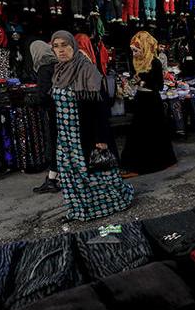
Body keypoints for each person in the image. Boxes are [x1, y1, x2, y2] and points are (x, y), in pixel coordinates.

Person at [49, 31, 133, 222]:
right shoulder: (59, 71)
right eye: (56, 46)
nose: (61, 50)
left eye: (65, 45)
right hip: (65, 136)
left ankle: (112, 204)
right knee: (71, 175)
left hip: (85, 134)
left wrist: (101, 138)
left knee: (96, 174)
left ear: (74, 46)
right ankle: (79, 210)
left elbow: (100, 109)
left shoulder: (87, 71)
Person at [122, 31, 177, 174]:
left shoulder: (155, 62)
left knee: (150, 132)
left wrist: (142, 81)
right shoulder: (137, 62)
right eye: (133, 51)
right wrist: (131, 82)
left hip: (151, 101)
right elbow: (137, 78)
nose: (134, 54)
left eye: (137, 50)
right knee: (139, 131)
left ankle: (148, 164)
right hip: (140, 98)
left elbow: (159, 86)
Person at [30, 40, 60, 194]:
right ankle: (53, 178)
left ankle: (52, 180)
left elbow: (43, 95)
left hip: (53, 112)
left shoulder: (44, 68)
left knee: (55, 143)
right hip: (64, 111)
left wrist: (33, 101)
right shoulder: (59, 65)